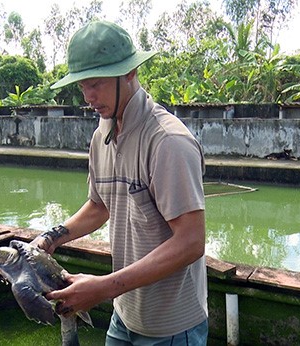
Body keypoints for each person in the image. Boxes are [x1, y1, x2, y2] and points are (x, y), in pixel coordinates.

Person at [31, 20, 208, 345]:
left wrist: (102, 287)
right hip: (124, 312)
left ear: (129, 73)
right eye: (82, 85)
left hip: (170, 327)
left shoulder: (167, 141)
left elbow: (191, 242)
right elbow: (99, 206)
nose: (88, 96)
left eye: (95, 83)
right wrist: (47, 240)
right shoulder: (103, 133)